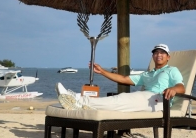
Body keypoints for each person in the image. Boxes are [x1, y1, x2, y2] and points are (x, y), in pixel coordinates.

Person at [55, 43, 185, 112]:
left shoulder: (171, 70)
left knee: (122, 98)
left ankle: (78, 99)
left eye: (162, 53)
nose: (159, 55)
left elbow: (181, 87)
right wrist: (102, 72)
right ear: (153, 56)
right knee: (119, 100)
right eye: (156, 53)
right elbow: (124, 79)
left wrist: (173, 89)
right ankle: (79, 101)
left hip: (160, 101)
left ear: (168, 57)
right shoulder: (147, 74)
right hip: (146, 98)